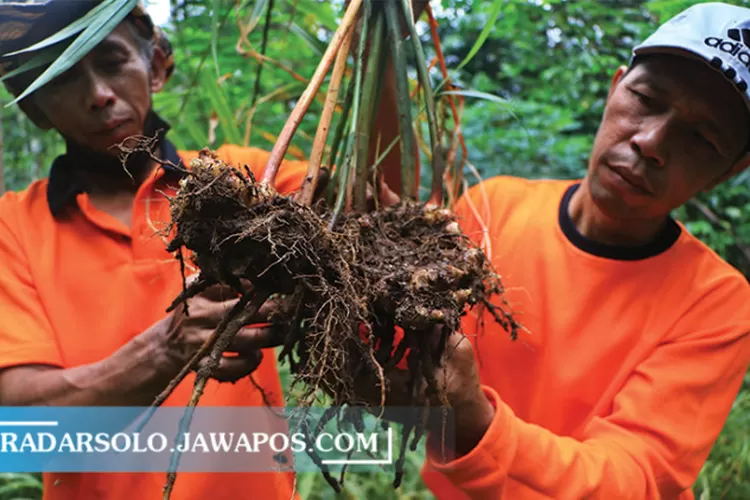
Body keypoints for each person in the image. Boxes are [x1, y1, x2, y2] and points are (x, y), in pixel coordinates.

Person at [0, 1, 414, 499]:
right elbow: (19, 424)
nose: (99, 95)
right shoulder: (13, 228)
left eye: (112, 63)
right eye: (65, 78)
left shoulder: (240, 183)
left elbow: (381, 208)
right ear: (31, 106)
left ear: (154, 65)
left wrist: (384, 50)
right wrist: (165, 349)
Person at [360, 2, 750, 499]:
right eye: (647, 98)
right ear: (615, 88)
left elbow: (633, 477)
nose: (651, 142)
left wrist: (475, 418)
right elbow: (391, 337)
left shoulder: (713, 303)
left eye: (701, 137)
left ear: (729, 171)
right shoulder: (492, 208)